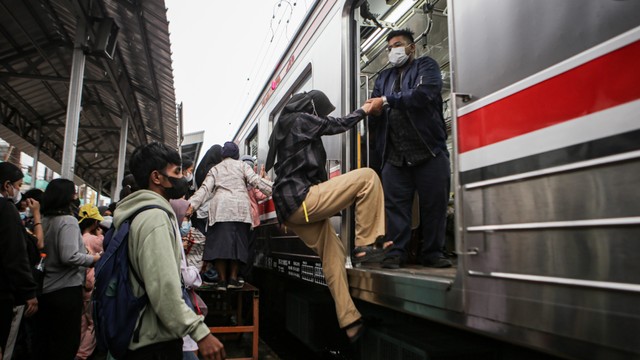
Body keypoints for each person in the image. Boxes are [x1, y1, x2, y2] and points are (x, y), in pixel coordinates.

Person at [265, 90, 388, 342]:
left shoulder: (288, 126)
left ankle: (350, 321)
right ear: (311, 107)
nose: (320, 117)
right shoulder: (300, 119)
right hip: (302, 199)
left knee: (333, 252)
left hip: (290, 210)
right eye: (319, 112)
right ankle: (367, 244)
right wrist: (364, 111)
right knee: (367, 177)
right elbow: (337, 125)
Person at [113, 142, 224, 359]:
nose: (183, 178)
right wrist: (200, 333)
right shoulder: (155, 218)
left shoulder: (141, 213)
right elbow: (164, 288)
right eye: (176, 172)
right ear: (157, 177)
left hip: (143, 334)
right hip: (153, 342)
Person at [368, 29, 452, 269]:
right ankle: (396, 253)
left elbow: (423, 94)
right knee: (396, 208)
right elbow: (373, 110)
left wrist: (386, 101)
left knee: (434, 205)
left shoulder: (427, 67)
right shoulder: (383, 79)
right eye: (389, 48)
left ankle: (433, 253)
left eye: (397, 45)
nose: (392, 51)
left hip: (429, 152)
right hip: (395, 156)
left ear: (411, 47)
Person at [188, 142, 273, 291]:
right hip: (240, 211)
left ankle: (221, 281)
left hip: (220, 210)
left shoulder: (216, 168)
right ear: (236, 155)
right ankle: (233, 279)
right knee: (238, 245)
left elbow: (205, 189)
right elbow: (255, 181)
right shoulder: (243, 166)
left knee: (220, 247)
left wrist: (190, 206)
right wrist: (275, 188)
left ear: (223, 155)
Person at [34, 178, 100, 359]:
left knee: (46, 342)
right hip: (65, 290)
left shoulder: (45, 221)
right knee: (65, 343)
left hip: (45, 289)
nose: (76, 196)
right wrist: (94, 259)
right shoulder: (68, 221)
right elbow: (69, 256)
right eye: (73, 192)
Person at [0, 162, 38, 355]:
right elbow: (15, 254)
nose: (18, 191)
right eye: (18, 186)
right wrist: (28, 292)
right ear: (7, 185)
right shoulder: (6, 209)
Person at [76, 204, 104, 360]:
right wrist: (100, 235)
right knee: (93, 323)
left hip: (80, 282)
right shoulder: (94, 239)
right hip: (92, 284)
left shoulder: (78, 237)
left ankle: (77, 349)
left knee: (82, 321)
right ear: (94, 223)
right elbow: (104, 245)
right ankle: (83, 354)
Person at [239, 155, 268, 283]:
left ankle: (238, 274)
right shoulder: (252, 183)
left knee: (240, 247)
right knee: (250, 249)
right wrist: (263, 179)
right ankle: (245, 275)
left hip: (239, 220)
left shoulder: (237, 181)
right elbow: (262, 194)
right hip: (252, 221)